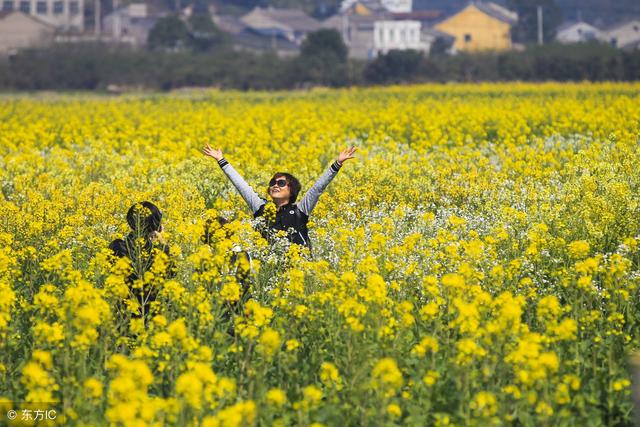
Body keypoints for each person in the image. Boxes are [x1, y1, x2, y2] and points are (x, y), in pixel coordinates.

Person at [202, 145, 356, 250]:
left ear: (292, 190)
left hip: (297, 269)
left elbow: (317, 189)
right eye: (272, 183)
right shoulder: (260, 207)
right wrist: (221, 160)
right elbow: (241, 185)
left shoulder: (300, 210)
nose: (275, 185)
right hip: (268, 268)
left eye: (281, 183)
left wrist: (337, 164)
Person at [109, 201, 175, 321]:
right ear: (158, 227)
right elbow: (171, 274)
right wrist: (163, 243)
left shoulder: (117, 247)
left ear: (130, 222)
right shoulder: (158, 254)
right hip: (151, 320)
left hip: (122, 319)